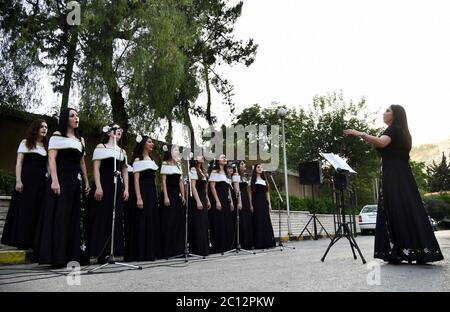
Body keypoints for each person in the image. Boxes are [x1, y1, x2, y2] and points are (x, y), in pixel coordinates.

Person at [344, 104, 443, 264]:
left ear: (396, 115)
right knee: (406, 209)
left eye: (388, 111)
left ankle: (400, 251)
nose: (384, 113)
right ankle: (413, 251)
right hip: (401, 174)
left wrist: (359, 133)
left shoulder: (394, 130)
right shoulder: (402, 132)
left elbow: (381, 143)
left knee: (395, 208)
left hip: (395, 176)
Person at [34, 108, 90, 268]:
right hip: (62, 180)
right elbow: (51, 158)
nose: (76, 118)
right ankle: (57, 256)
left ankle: (73, 255)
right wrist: (54, 180)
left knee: (75, 217)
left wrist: (86, 181)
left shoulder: (80, 140)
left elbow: (82, 162)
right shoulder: (57, 136)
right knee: (61, 217)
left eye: (77, 115)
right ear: (65, 119)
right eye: (72, 116)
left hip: (76, 181)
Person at [1, 119, 48, 250]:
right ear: (36, 128)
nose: (44, 129)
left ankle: (34, 242)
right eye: (42, 127)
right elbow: (19, 163)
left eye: (46, 127)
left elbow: (48, 166)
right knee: (25, 210)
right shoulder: (25, 143)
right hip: (26, 181)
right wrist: (18, 180)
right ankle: (22, 241)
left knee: (37, 211)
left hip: (40, 183)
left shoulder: (46, 146)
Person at [87, 123, 129, 263]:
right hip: (104, 182)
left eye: (120, 129)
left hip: (116, 185)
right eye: (116, 128)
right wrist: (98, 186)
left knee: (115, 215)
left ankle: (113, 251)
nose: (119, 131)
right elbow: (96, 168)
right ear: (109, 132)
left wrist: (126, 188)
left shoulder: (122, 151)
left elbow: (124, 170)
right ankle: (99, 252)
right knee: (102, 215)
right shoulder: (101, 147)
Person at [129, 135, 161, 261]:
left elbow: (154, 180)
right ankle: (142, 253)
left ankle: (151, 251)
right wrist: (138, 198)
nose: (152, 143)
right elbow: (136, 181)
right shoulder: (137, 160)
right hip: (142, 191)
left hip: (152, 193)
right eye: (149, 141)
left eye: (152, 141)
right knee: (143, 220)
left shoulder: (152, 160)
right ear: (143, 144)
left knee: (152, 219)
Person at [160, 144, 186, 258]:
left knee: (177, 221)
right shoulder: (165, 163)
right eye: (175, 149)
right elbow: (164, 182)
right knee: (169, 221)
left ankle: (178, 249)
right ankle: (167, 250)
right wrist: (166, 196)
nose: (177, 151)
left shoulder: (178, 165)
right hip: (168, 193)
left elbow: (180, 181)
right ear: (170, 151)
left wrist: (183, 196)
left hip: (177, 195)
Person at [208, 154, 235, 253]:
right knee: (219, 222)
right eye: (222, 157)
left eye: (225, 157)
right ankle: (219, 246)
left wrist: (231, 201)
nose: (225, 159)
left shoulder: (227, 173)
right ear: (218, 160)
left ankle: (228, 245)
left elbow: (228, 188)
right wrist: (217, 201)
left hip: (226, 199)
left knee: (227, 221)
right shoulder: (215, 171)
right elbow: (212, 187)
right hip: (218, 198)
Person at [187, 155, 211, 257]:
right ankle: (198, 249)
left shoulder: (202, 170)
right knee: (198, 223)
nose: (202, 157)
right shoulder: (193, 169)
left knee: (204, 223)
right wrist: (198, 201)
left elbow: (205, 188)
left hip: (203, 197)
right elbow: (193, 186)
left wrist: (207, 199)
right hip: (197, 198)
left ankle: (204, 248)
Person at [250, 164, 275, 249]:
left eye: (261, 167)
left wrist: (269, 204)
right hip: (256, 202)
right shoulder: (252, 180)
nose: (260, 168)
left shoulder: (265, 180)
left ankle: (267, 242)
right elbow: (250, 193)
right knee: (258, 221)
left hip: (264, 203)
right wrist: (250, 204)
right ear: (255, 169)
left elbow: (267, 193)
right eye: (258, 167)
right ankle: (258, 243)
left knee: (265, 221)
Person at [232, 160, 254, 250]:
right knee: (242, 220)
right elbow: (237, 189)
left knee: (247, 219)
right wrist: (239, 201)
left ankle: (249, 242)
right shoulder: (236, 175)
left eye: (244, 163)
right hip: (240, 198)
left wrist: (250, 203)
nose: (244, 165)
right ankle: (242, 242)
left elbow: (248, 190)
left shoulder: (245, 177)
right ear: (237, 166)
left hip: (246, 199)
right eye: (241, 164)